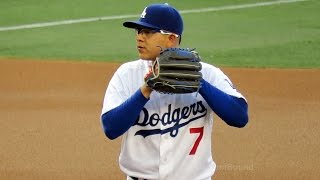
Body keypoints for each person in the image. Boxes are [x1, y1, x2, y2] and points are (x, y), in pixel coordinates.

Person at [100, 3, 248, 180]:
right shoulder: (126, 74)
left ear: (171, 38)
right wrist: (145, 91)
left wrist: (199, 82)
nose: (139, 37)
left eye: (148, 32)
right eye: (138, 31)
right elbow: (110, 128)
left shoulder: (206, 73)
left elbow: (239, 117)